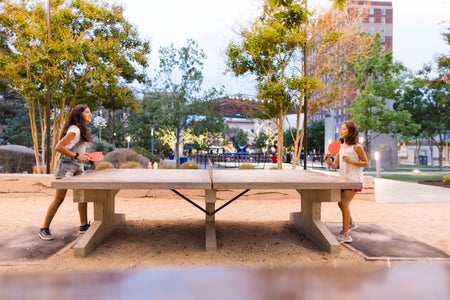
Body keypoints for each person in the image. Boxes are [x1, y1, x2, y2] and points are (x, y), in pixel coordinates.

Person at [39, 104, 93, 240]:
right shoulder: (75, 129)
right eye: (87, 112)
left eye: (89, 112)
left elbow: (74, 148)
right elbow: (59, 147)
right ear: (79, 115)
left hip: (77, 166)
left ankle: (84, 225)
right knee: (59, 198)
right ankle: (44, 229)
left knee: (82, 196)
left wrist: (83, 155)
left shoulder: (80, 129)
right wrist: (76, 156)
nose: (90, 114)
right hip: (66, 166)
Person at [323, 121, 368, 243]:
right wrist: (328, 161)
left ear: (351, 132)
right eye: (341, 129)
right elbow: (335, 165)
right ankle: (351, 223)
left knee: (344, 203)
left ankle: (345, 234)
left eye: (344, 129)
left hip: (354, 180)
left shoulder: (357, 147)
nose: (341, 131)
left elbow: (366, 163)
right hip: (342, 179)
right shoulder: (340, 147)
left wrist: (350, 161)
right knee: (340, 203)